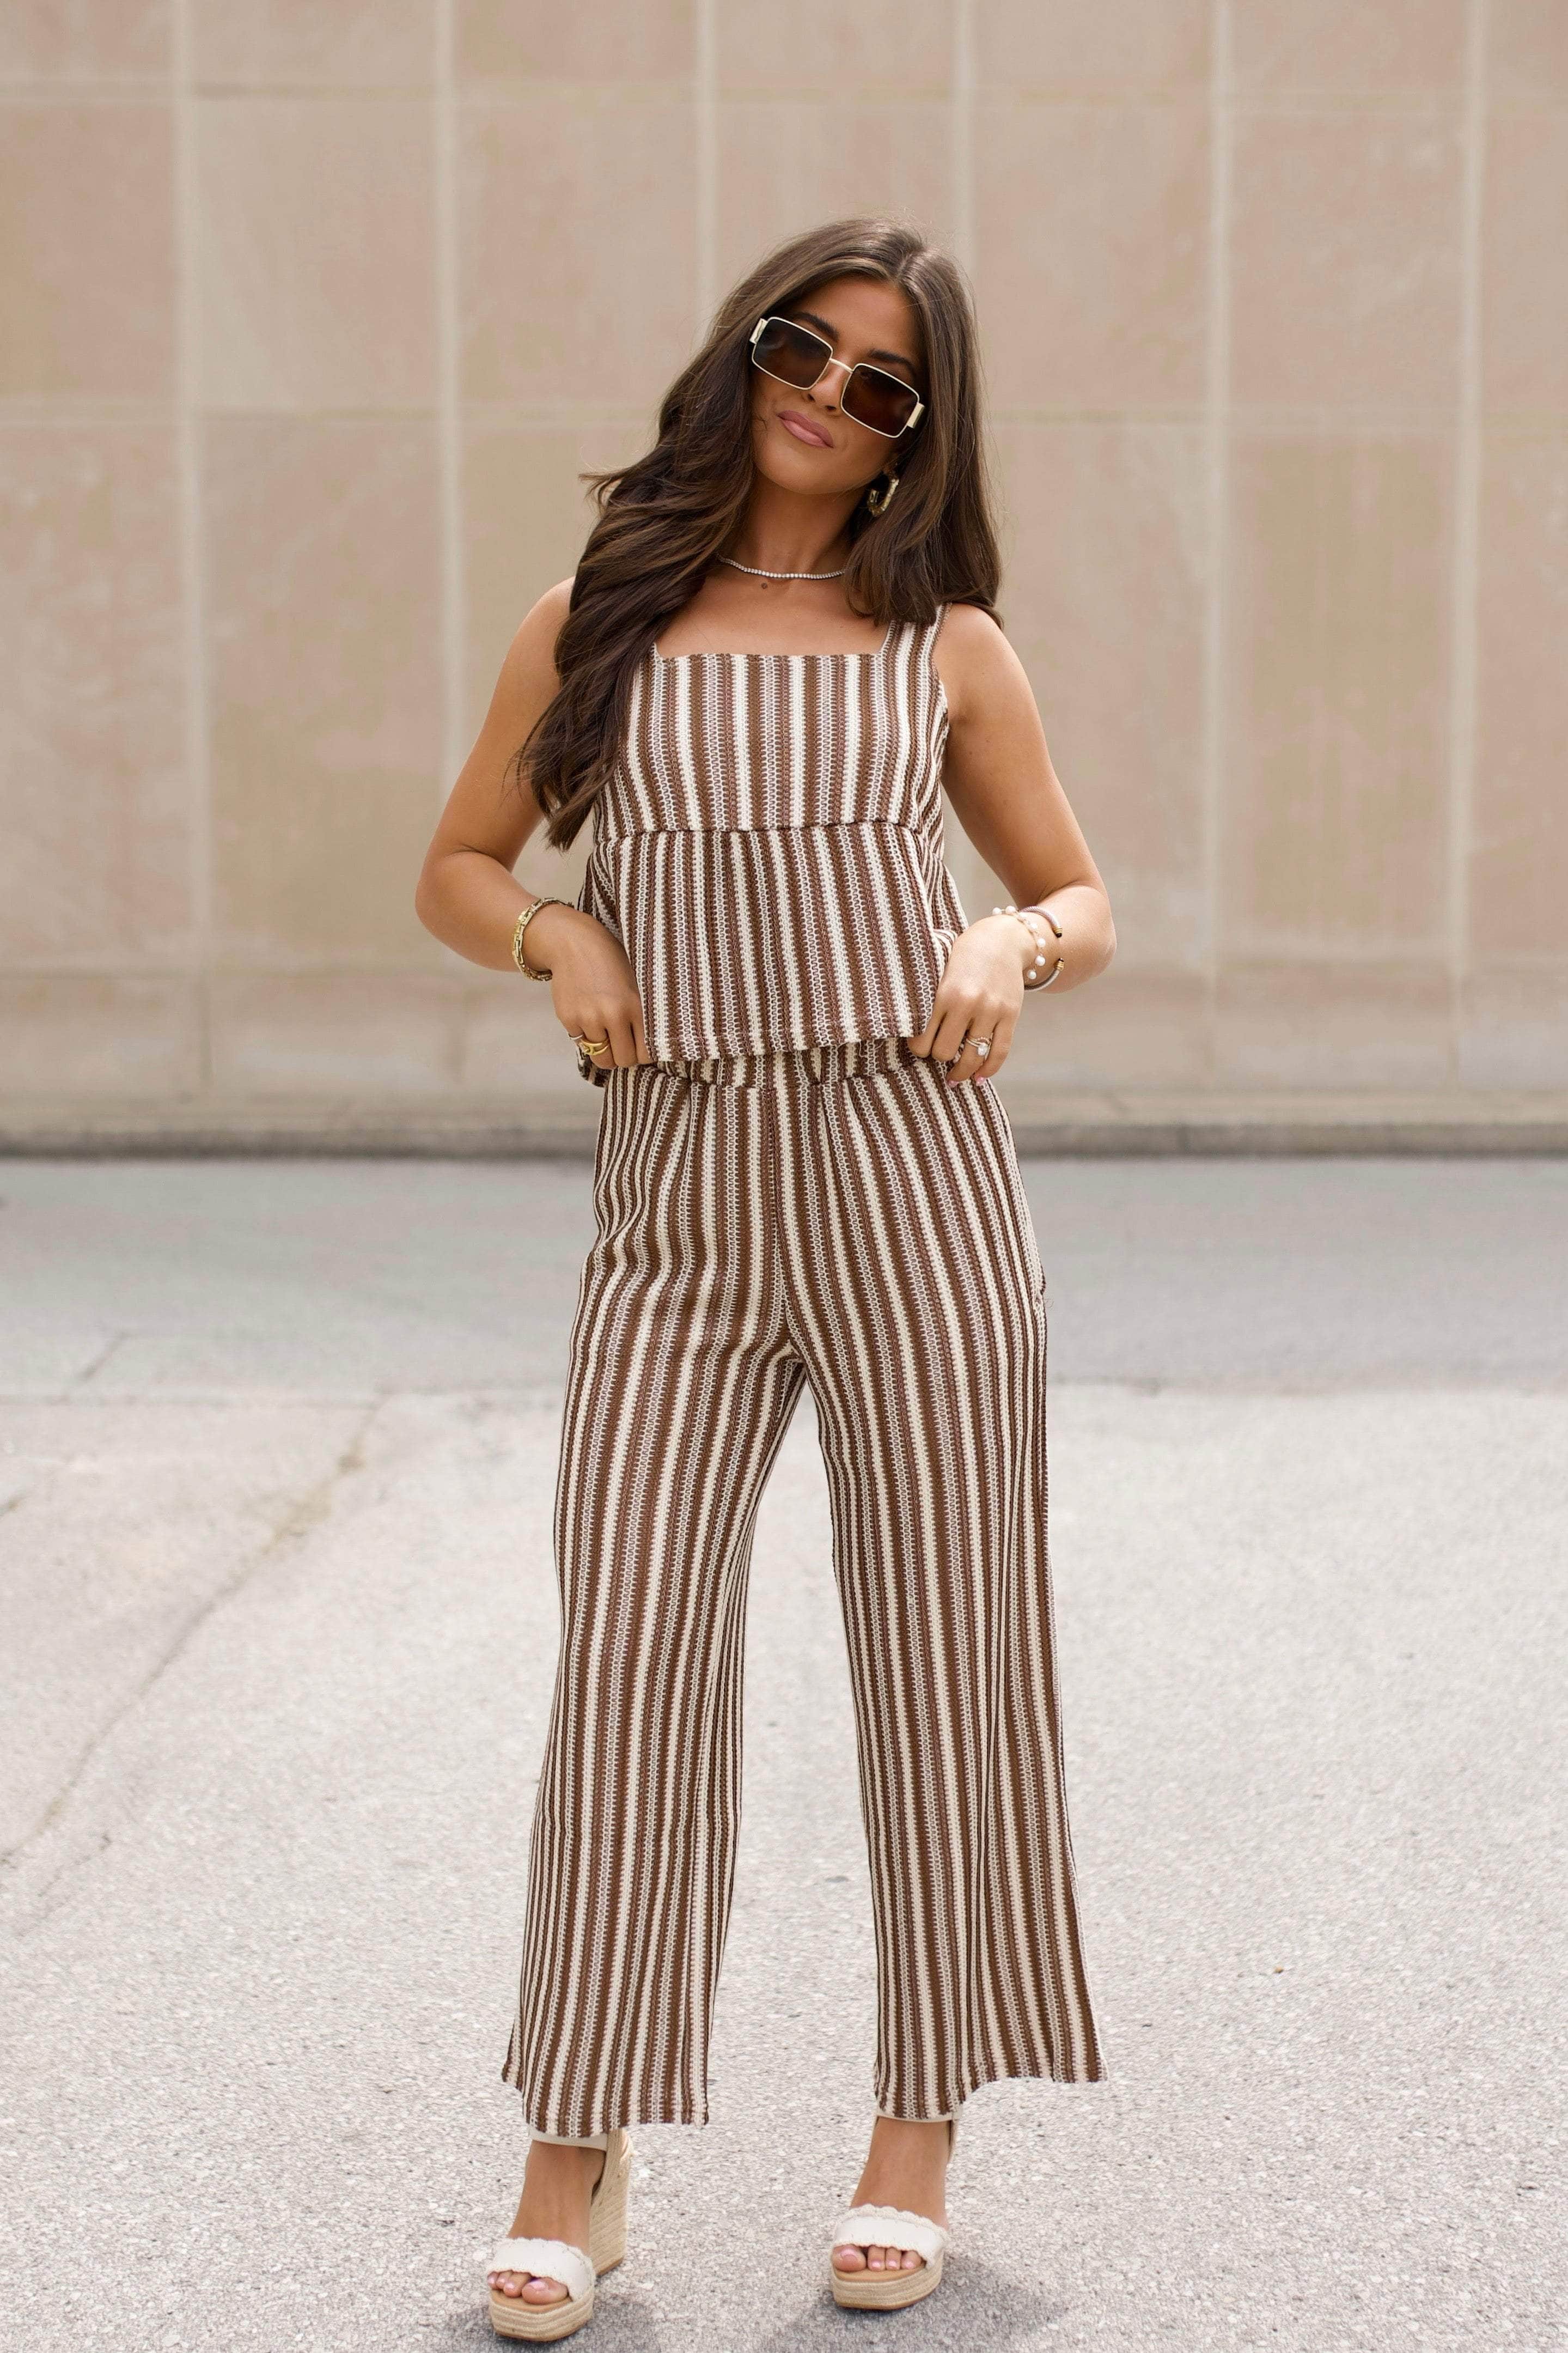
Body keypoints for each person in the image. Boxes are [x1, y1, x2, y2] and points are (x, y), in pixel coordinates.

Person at [414, 216, 1114, 2340]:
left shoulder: (949, 650)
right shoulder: (596, 621)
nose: (825, 395)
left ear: (917, 433)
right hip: (682, 1202)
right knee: (627, 1655)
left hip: (917, 1184)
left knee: (949, 1657)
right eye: (803, 348)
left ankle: (917, 2132)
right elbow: (456, 866)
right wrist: (556, 931)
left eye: (879, 382)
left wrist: (1005, 940)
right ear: (747, 350)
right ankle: (577, 2146)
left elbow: (1082, 895)